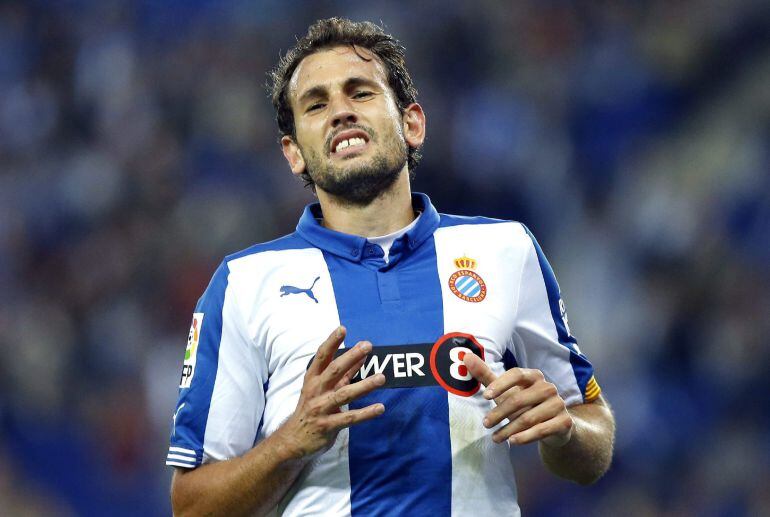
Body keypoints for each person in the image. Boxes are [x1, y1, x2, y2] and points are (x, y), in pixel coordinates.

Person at [167, 17, 615, 517]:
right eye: (316, 104)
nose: (339, 111)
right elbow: (191, 506)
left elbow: (591, 439)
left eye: (360, 93)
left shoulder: (506, 249)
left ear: (412, 123)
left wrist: (566, 430)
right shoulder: (244, 283)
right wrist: (290, 443)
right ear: (294, 154)